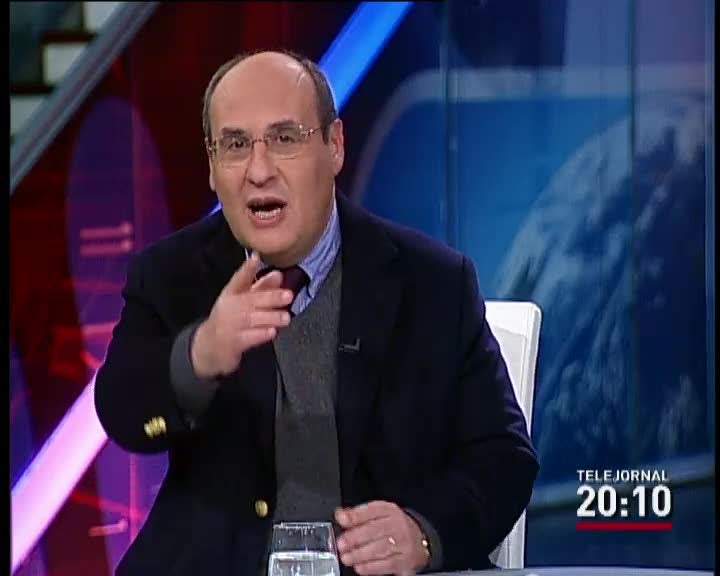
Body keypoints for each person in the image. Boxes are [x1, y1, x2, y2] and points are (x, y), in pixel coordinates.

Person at [94, 49, 539, 575]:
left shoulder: (433, 283)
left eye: (285, 139)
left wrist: (423, 532)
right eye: (235, 145)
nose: (259, 171)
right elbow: (122, 412)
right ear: (212, 168)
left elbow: (503, 457)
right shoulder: (170, 274)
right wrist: (200, 355)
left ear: (335, 146)